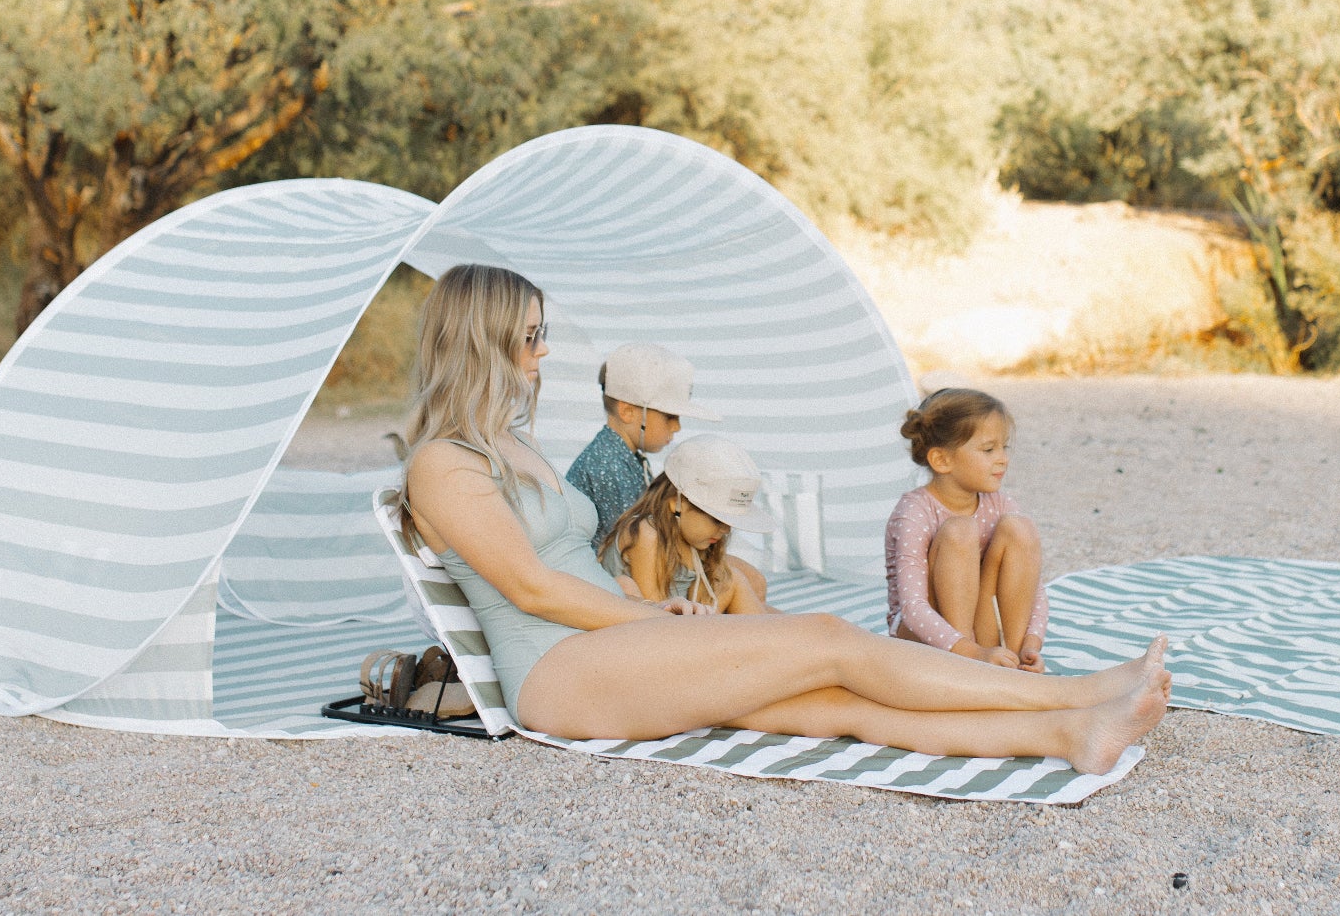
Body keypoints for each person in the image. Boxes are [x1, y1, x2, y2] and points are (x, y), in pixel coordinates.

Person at [400, 263, 1171, 774]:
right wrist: (651, 612)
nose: (543, 350)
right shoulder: (443, 462)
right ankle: (1074, 692)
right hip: (558, 667)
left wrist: (646, 611)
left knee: (835, 703)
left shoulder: (508, 443)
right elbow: (532, 588)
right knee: (830, 639)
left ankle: (1071, 735)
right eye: (531, 335)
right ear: (486, 340)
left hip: (604, 636)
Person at [885, 388, 1049, 672]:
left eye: (1004, 447)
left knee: (1020, 528)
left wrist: (1030, 645)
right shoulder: (914, 511)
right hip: (924, 636)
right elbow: (912, 610)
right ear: (942, 460)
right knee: (960, 530)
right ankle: (965, 666)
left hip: (978, 635)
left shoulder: (1000, 504)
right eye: (988, 449)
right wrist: (970, 651)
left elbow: (1033, 588)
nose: (1003, 459)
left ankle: (1013, 662)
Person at [598, 434, 774, 613]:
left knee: (737, 579)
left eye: (729, 521)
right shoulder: (648, 533)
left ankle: (778, 634)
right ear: (677, 503)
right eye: (717, 519)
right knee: (734, 580)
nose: (726, 529)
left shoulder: (695, 538)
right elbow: (656, 612)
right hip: (645, 622)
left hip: (684, 617)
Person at [564, 342, 719, 533]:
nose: (677, 427)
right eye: (669, 416)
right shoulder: (608, 464)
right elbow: (633, 541)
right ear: (627, 411)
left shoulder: (624, 457)